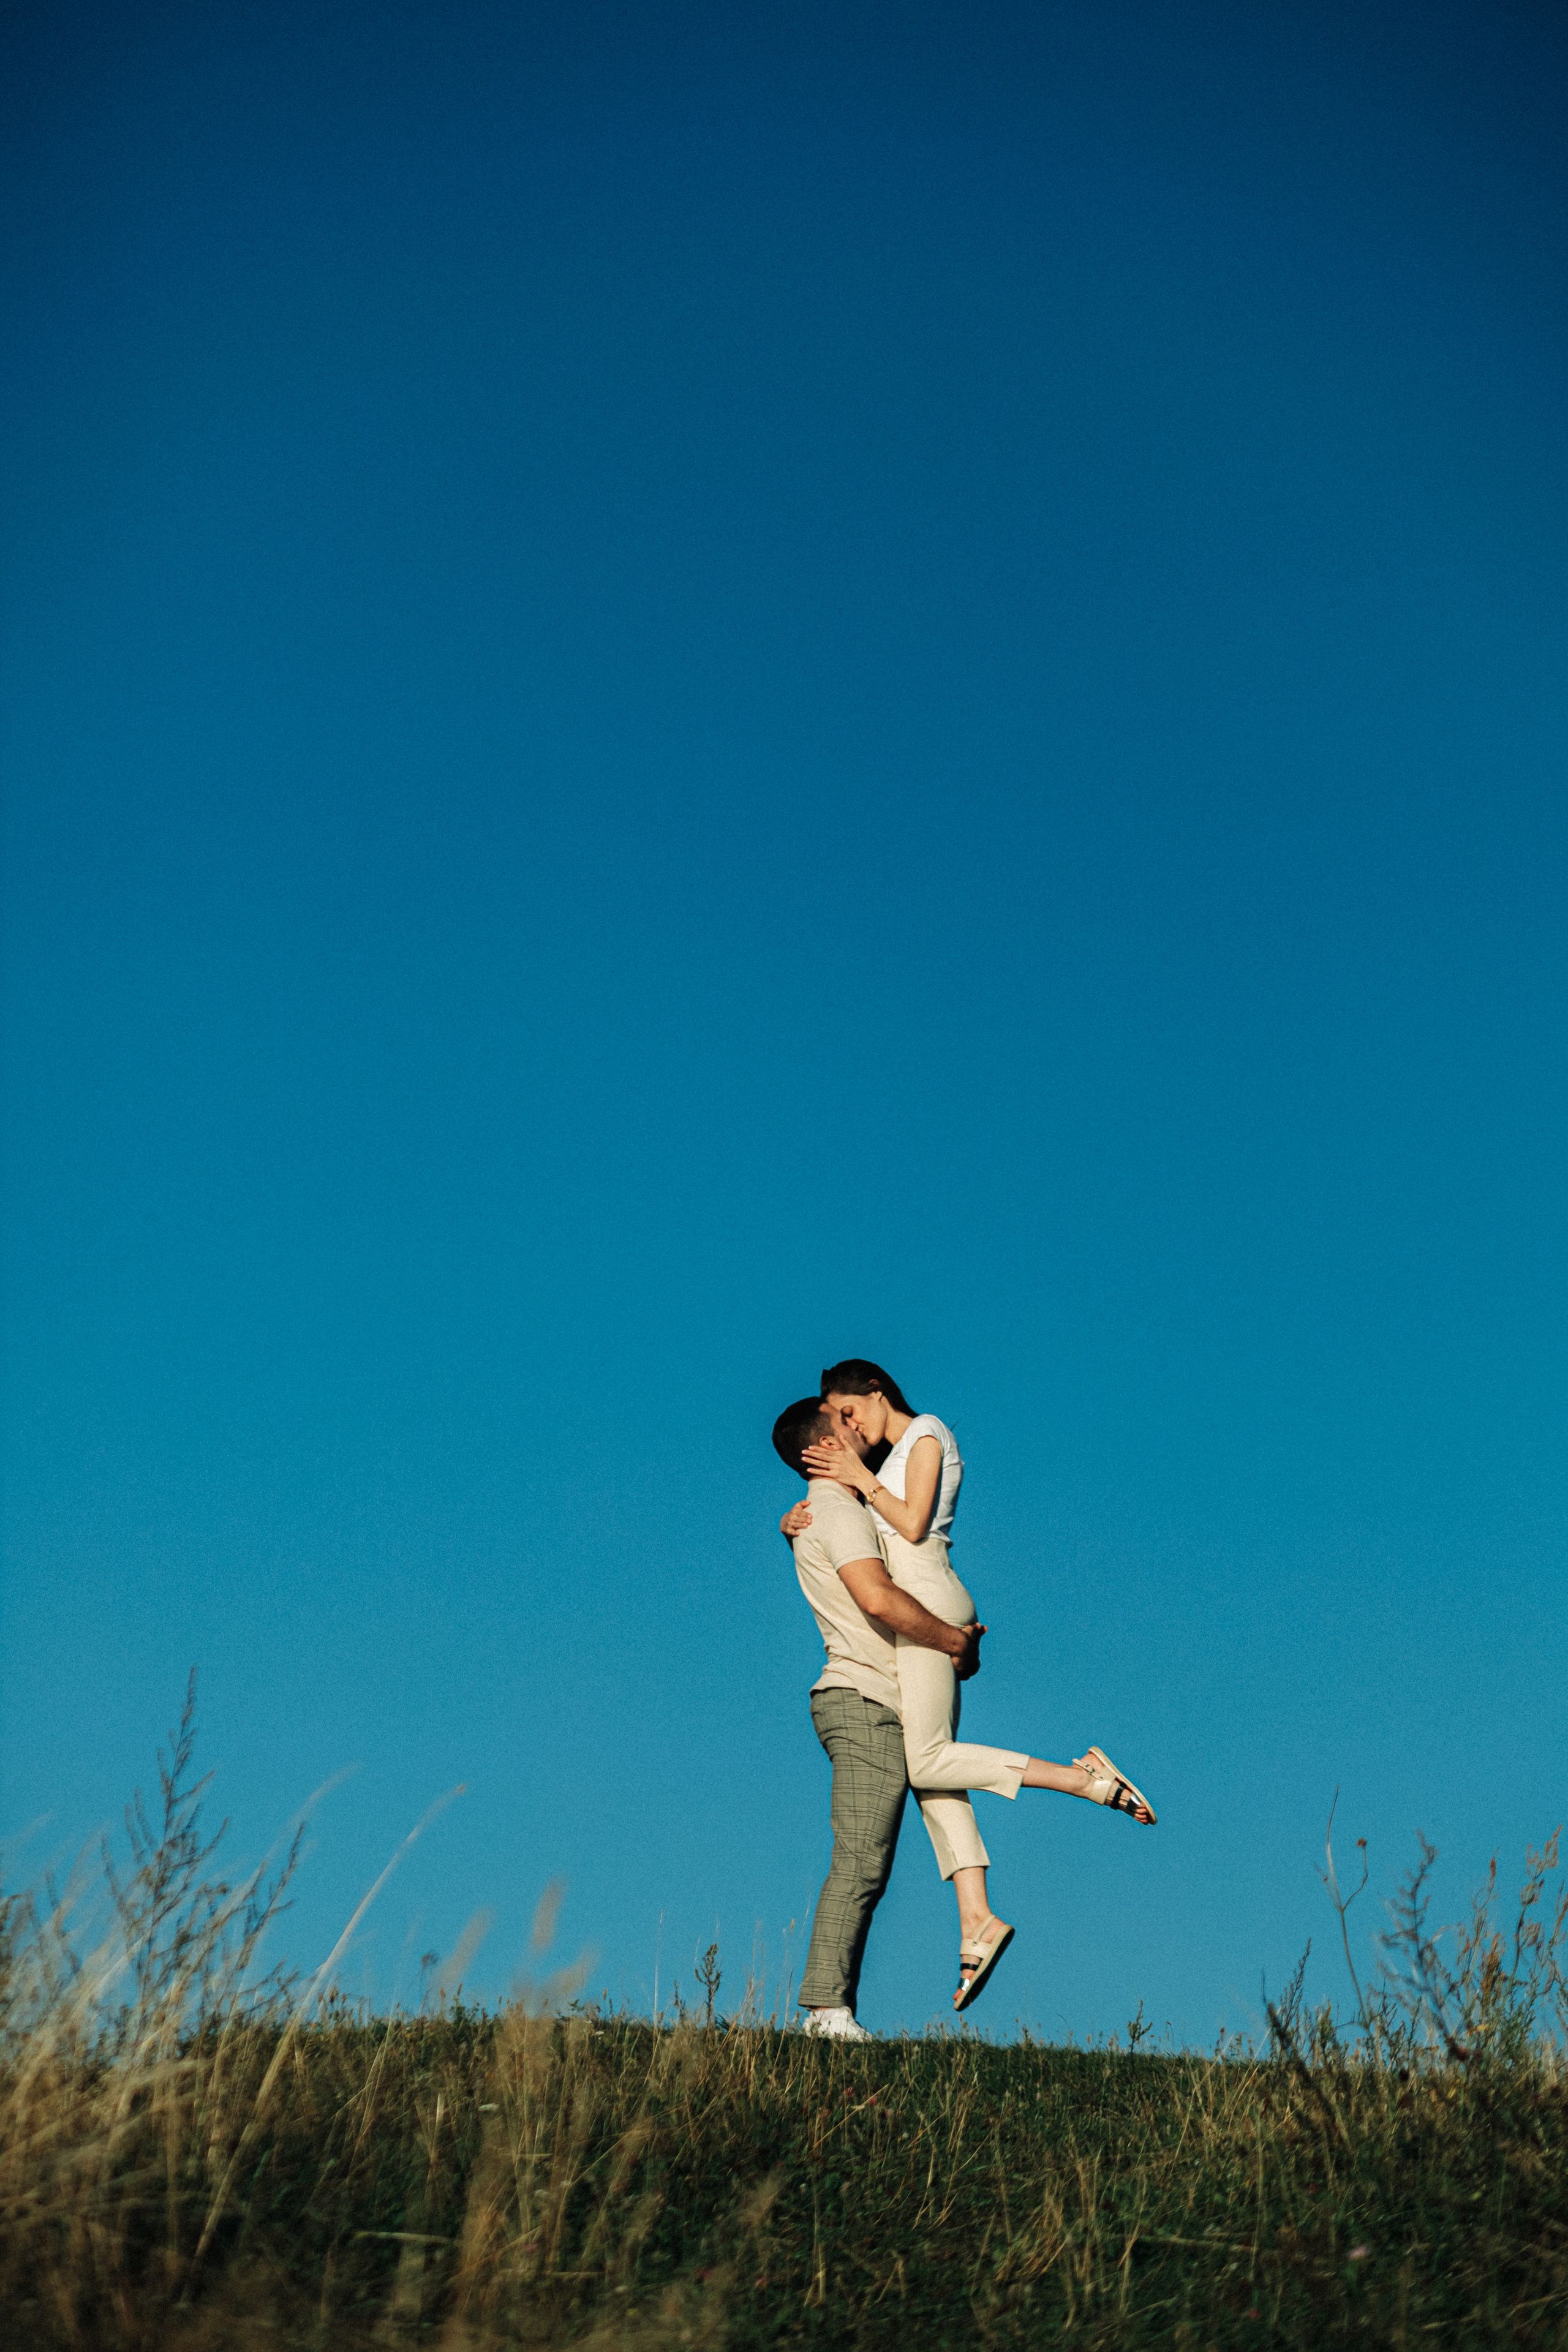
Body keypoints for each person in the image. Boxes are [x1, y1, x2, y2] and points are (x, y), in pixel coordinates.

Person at [783, 1357, 1156, 2007]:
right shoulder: (870, 1471)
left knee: (927, 1761)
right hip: (920, 1612)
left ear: (875, 1392)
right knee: (935, 1775)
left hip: (927, 1601)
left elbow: (911, 1525)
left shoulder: (925, 1431)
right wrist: (801, 1515)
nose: (848, 1426)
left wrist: (857, 1483)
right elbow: (851, 1529)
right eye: (837, 1421)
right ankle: (976, 1922)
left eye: (849, 1411)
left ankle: (1085, 1780)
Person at [774, 1394, 1007, 2035]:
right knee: (862, 1859)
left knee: (870, 1857)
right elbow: (877, 1598)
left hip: (877, 1700)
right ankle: (825, 2010)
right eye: (843, 1423)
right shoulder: (833, 1508)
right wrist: (952, 1639)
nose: (857, 1427)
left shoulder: (830, 1510)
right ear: (822, 1448)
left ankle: (835, 2005)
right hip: (863, 1700)